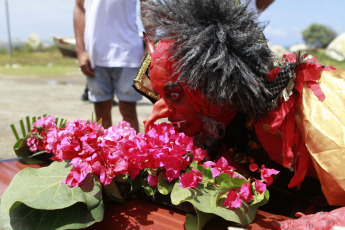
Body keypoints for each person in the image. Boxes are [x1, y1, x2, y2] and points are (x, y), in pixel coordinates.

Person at [135, 0, 345, 228]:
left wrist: (326, 222)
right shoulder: (215, 130)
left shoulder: (304, 104)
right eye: (161, 97)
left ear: (208, 87)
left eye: (174, 96)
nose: (165, 111)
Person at [74, 0, 145, 132]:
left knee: (128, 109)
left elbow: (147, 5)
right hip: (95, 53)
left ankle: (131, 151)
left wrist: (150, 42)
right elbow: (79, 8)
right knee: (100, 109)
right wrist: (80, 50)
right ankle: (102, 152)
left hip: (128, 51)